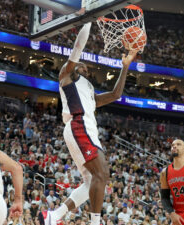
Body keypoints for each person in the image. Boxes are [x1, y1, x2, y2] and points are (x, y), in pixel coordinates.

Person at [45, 22, 138, 225]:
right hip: (79, 125)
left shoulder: (89, 91)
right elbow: (78, 49)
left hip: (87, 129)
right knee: (102, 172)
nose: (85, 67)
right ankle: (95, 222)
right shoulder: (67, 77)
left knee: (91, 182)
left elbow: (116, 94)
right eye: (81, 65)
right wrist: (89, 20)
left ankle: (55, 216)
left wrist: (125, 67)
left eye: (86, 67)